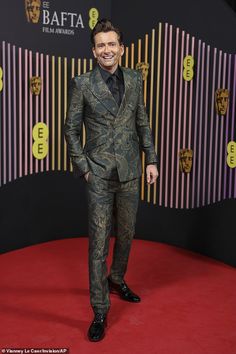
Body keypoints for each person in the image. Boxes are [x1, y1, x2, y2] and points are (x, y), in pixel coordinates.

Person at [64, 19, 159, 342]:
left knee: (128, 233)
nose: (107, 49)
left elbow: (142, 121)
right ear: (94, 51)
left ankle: (117, 278)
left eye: (111, 43)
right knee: (99, 243)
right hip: (100, 174)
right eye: (100, 45)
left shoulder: (134, 78)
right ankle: (100, 309)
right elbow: (71, 130)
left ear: (121, 47)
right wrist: (84, 167)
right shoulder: (82, 83)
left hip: (131, 169)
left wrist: (152, 159)